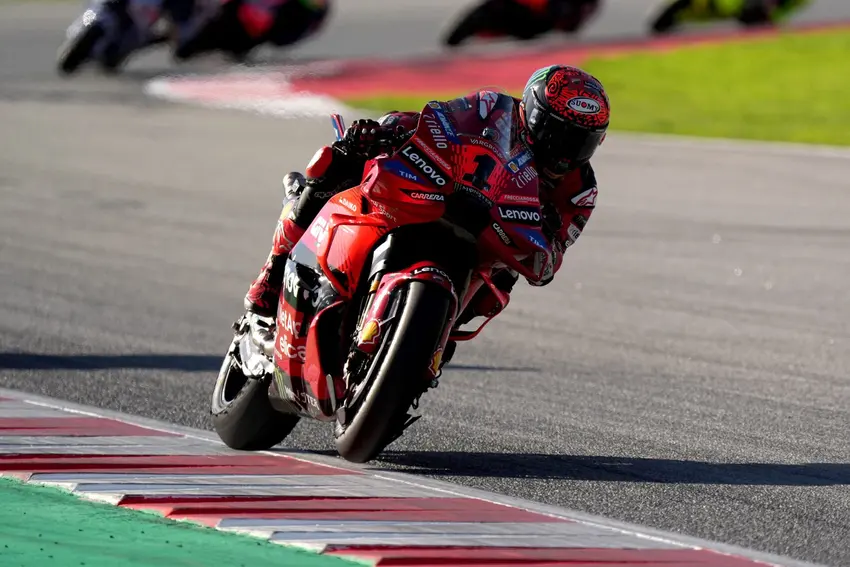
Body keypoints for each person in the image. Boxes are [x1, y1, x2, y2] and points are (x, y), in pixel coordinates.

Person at [243, 64, 610, 356]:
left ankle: (431, 346)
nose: (564, 152)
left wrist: (541, 240)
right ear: (529, 111)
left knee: (499, 283)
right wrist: (387, 131)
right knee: (338, 160)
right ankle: (273, 271)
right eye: (555, 132)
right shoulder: (492, 110)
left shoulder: (580, 191)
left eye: (581, 142)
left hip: (490, 238)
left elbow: (548, 263)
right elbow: (437, 122)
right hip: (440, 191)